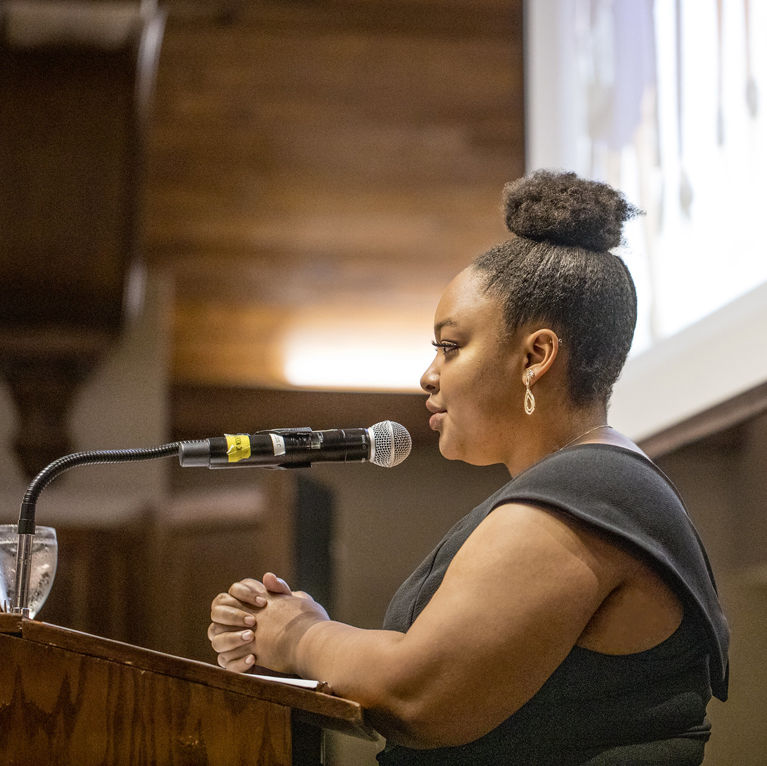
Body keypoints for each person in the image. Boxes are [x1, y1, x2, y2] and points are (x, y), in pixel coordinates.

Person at [207, 170, 729, 765]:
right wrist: (295, 626)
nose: (429, 375)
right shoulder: (585, 490)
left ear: (535, 356)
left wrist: (297, 636)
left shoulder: (587, 496)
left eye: (450, 347)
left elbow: (420, 695)